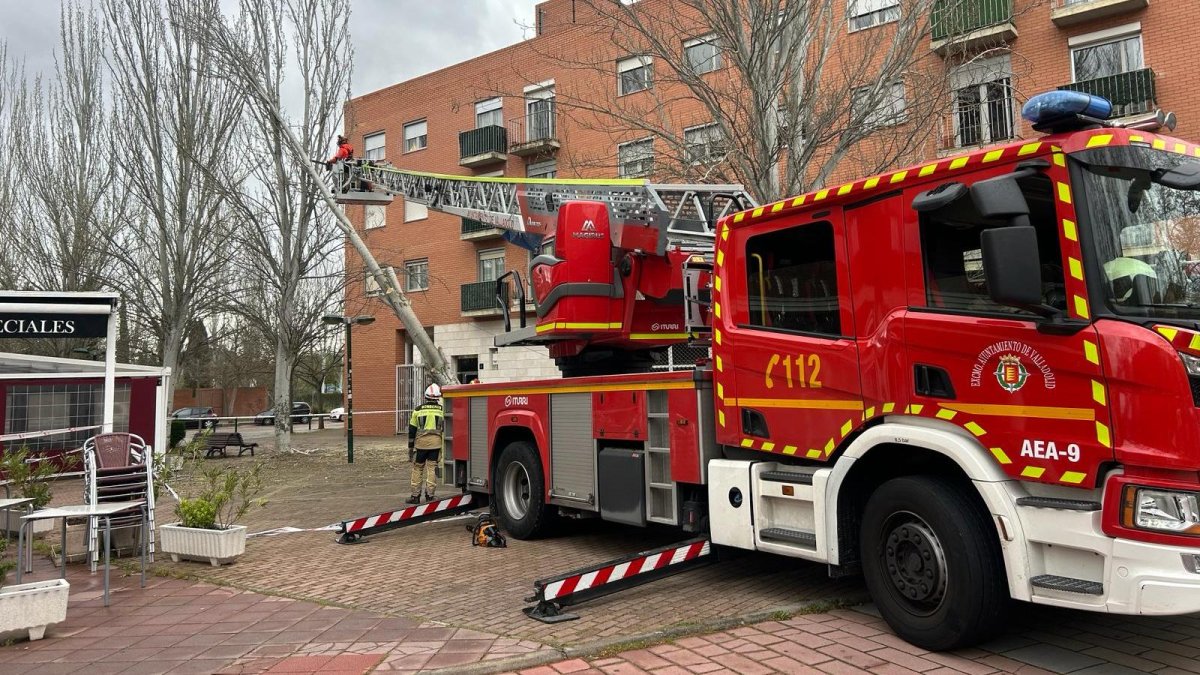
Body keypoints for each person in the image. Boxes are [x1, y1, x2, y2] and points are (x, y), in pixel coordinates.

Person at [407, 384, 444, 504]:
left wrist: (410, 448)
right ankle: (430, 496)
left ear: (426, 396)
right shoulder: (442, 411)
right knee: (432, 468)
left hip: (421, 445)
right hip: (436, 445)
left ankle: (415, 496)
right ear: (438, 397)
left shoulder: (417, 410)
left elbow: (412, 431)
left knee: (417, 469)